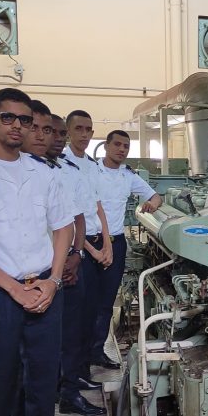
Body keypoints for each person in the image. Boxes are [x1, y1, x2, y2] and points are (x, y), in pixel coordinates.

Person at [0, 88, 77, 416]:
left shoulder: (44, 174)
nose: (17, 126)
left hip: (43, 291)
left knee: (41, 387)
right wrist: (13, 287)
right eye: (8, 118)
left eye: (25, 121)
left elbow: (62, 228)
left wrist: (53, 281)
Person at [47, 114, 107, 415]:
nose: (56, 138)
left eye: (58, 133)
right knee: (57, 334)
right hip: (43, 266)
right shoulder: (42, 169)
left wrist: (75, 255)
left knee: (76, 326)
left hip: (69, 259)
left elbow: (80, 214)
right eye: (49, 132)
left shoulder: (69, 170)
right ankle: (61, 387)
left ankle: (70, 386)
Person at [91, 130, 162, 368]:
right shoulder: (91, 171)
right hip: (91, 241)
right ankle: (76, 355)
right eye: (117, 145)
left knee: (106, 300)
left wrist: (151, 203)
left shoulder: (128, 175)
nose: (122, 150)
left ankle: (96, 351)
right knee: (84, 301)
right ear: (106, 146)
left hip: (117, 241)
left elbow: (155, 196)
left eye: (126, 146)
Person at [63, 110, 116, 382]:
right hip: (78, 249)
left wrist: (107, 243)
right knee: (78, 317)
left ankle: (84, 366)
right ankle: (75, 374)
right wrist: (92, 252)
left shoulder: (92, 165)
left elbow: (97, 207)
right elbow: (70, 217)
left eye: (89, 130)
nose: (84, 135)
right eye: (79, 129)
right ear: (68, 130)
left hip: (96, 244)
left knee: (94, 309)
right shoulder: (62, 164)